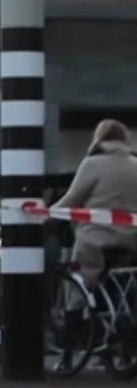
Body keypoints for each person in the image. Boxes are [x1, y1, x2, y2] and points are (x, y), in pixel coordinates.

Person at [54, 119, 137, 295]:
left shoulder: (92, 163)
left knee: (77, 278)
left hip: (96, 241)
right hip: (131, 241)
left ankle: (74, 314)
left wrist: (47, 215)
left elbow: (72, 199)